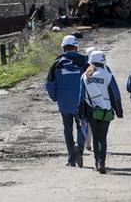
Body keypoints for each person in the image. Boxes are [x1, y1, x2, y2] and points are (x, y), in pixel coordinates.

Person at [45, 35, 88, 167]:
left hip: (64, 103)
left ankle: (71, 159)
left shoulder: (56, 63)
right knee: (83, 125)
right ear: (76, 47)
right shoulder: (84, 62)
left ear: (63, 48)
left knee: (67, 129)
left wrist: (55, 97)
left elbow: (49, 84)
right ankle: (79, 148)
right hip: (81, 102)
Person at [78, 50, 123, 174]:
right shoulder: (107, 75)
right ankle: (101, 163)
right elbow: (115, 94)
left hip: (90, 111)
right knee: (102, 138)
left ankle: (96, 163)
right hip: (106, 111)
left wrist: (80, 113)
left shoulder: (85, 76)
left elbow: (81, 96)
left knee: (96, 137)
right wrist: (118, 110)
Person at [83, 46, 97, 151]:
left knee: (85, 122)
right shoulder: (102, 68)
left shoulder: (83, 66)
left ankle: (86, 142)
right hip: (97, 99)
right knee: (94, 123)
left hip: (85, 98)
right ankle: (95, 143)